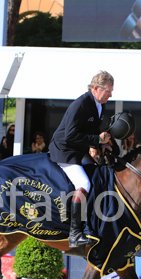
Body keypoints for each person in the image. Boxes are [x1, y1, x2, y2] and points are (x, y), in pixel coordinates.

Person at [48, 70, 114, 248]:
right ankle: (75, 233)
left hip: (78, 150)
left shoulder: (99, 105)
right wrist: (97, 140)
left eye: (111, 91)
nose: (110, 95)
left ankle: (91, 225)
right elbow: (70, 135)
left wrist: (101, 144)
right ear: (96, 88)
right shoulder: (80, 104)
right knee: (84, 183)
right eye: (108, 91)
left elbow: (90, 132)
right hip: (65, 151)